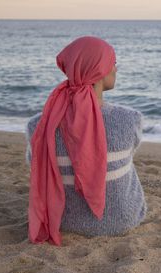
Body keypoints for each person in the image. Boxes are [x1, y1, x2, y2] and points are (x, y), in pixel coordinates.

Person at [24, 36, 147, 246]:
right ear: (98, 70)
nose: (116, 69)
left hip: (65, 222)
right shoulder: (130, 119)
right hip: (122, 221)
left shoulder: (39, 125)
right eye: (113, 63)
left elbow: (31, 162)